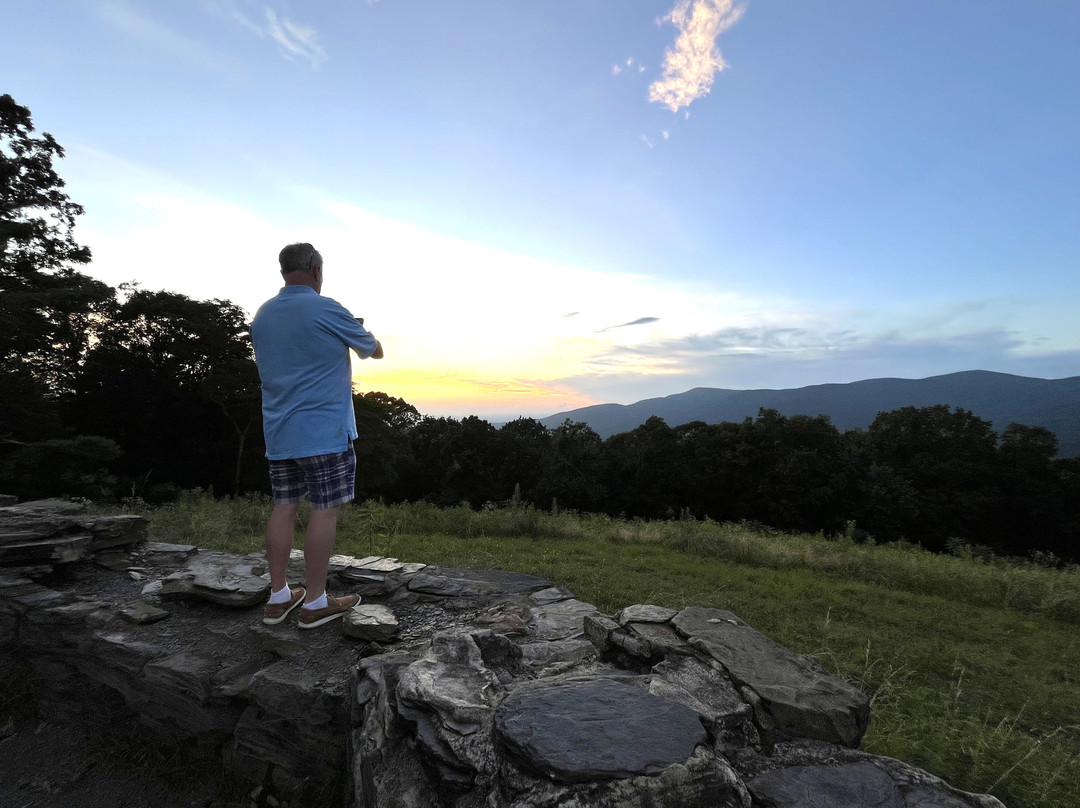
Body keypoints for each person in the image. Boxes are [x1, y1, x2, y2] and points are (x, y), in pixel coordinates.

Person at [250, 242, 384, 628]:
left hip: (279, 431)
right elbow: (373, 351)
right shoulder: (326, 308)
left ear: (282, 272)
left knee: (284, 507)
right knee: (324, 510)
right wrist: (358, 328)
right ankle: (315, 602)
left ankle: (278, 597)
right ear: (316, 269)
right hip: (323, 431)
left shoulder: (264, 314)